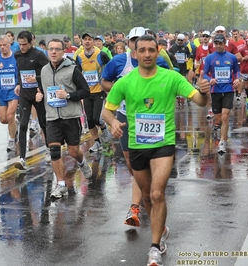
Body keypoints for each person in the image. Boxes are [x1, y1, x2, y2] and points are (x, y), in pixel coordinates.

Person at [102, 35, 210, 266]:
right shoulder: (126, 81)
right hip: (137, 145)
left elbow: (200, 102)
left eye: (152, 50)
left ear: (159, 51)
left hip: (163, 143)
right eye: (143, 50)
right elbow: (107, 111)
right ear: (136, 53)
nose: (148, 54)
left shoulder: (171, 77)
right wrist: (112, 122)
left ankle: (154, 247)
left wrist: (205, 92)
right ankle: (159, 228)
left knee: (157, 193)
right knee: (147, 195)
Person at [102, 27, 169, 228]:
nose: (137, 44)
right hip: (125, 117)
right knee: (133, 165)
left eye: (141, 40)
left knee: (150, 165)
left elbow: (170, 82)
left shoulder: (159, 61)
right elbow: (104, 82)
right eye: (133, 40)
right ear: (130, 43)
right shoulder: (118, 61)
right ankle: (146, 196)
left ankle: (136, 206)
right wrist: (120, 89)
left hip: (152, 119)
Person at [36, 38, 92, 199]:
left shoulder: (72, 69)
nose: (53, 52)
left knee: (73, 151)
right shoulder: (44, 70)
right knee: (54, 151)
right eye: (51, 49)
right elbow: (44, 91)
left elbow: (85, 91)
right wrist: (39, 95)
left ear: (63, 52)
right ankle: (61, 184)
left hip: (71, 116)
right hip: (52, 117)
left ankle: (82, 162)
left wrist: (68, 95)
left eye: (57, 49)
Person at [13, 30, 50, 169]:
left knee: (43, 122)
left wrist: (37, 78)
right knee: (23, 125)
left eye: (24, 44)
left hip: (38, 94)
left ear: (31, 42)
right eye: (20, 44)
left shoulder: (39, 55)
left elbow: (49, 71)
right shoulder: (17, 55)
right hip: (24, 94)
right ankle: (22, 158)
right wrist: (18, 83)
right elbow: (19, 71)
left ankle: (48, 149)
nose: (22, 47)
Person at [203, 34, 240, 153]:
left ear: (225, 43)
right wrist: (210, 80)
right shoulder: (210, 58)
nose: (218, 46)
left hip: (228, 89)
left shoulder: (232, 57)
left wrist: (237, 79)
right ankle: (221, 133)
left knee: (225, 116)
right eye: (216, 44)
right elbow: (204, 73)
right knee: (218, 119)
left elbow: (237, 71)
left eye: (220, 43)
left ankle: (222, 141)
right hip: (216, 90)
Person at [76, 33, 111, 153]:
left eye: (89, 40)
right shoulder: (80, 56)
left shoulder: (100, 54)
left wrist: (107, 81)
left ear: (93, 42)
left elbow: (111, 65)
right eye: (84, 39)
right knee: (89, 120)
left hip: (99, 91)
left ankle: (104, 129)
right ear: (82, 42)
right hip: (87, 93)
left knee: (97, 119)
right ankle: (97, 143)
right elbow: (77, 73)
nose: (87, 42)